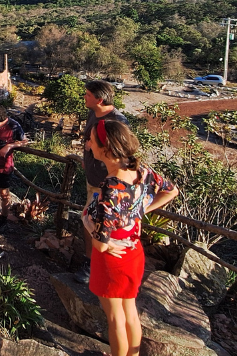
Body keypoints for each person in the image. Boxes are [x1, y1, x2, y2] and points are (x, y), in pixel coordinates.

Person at [83, 119, 178, 356]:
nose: (88, 144)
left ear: (106, 150)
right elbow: (172, 190)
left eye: (92, 140)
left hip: (113, 257)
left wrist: (87, 222)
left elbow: (100, 244)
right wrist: (141, 209)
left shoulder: (111, 188)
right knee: (130, 311)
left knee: (115, 317)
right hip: (134, 250)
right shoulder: (142, 171)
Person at [77, 79, 130, 284]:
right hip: (93, 178)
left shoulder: (117, 121)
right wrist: (86, 155)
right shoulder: (93, 114)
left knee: (96, 223)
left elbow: (123, 154)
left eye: (88, 95)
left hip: (106, 183)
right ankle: (91, 262)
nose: (85, 97)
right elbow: (89, 140)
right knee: (89, 220)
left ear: (99, 99)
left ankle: (94, 266)